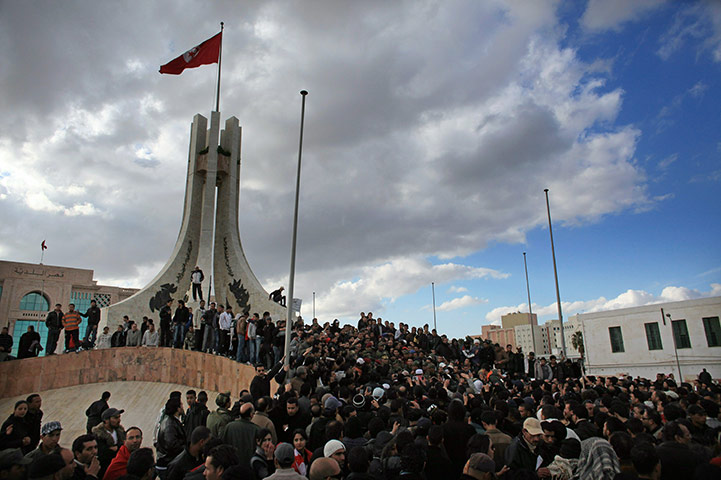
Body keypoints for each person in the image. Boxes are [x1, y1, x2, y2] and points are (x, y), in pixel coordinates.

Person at [155, 398, 186, 480]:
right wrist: (186, 447)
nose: (183, 407)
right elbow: (171, 444)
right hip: (166, 464)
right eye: (181, 405)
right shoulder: (170, 424)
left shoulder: (172, 421)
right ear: (178, 408)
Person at [91, 408, 126, 477]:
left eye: (119, 417)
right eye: (116, 418)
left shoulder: (120, 431)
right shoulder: (98, 435)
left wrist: (117, 447)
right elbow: (103, 453)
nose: (119, 420)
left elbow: (125, 446)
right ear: (106, 420)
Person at [221, 403, 259, 467]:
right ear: (251, 415)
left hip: (231, 465)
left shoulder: (229, 426)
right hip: (248, 466)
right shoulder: (256, 429)